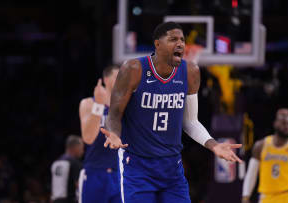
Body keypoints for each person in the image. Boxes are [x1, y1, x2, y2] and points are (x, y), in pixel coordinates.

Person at [100, 21, 242, 203]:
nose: (181, 44)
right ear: (157, 44)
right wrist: (113, 134)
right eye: (173, 39)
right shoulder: (133, 70)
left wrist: (213, 145)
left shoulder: (190, 72)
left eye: (182, 40)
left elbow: (190, 122)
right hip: (137, 166)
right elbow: (114, 114)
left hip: (171, 167)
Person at [242, 109, 288, 203]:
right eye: (283, 123)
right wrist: (246, 196)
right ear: (275, 124)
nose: (286, 127)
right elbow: (251, 173)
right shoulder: (261, 145)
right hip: (266, 197)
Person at [78, 65, 121, 203]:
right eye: (118, 77)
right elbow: (88, 138)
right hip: (94, 173)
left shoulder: (125, 107)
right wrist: (99, 106)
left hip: (120, 174)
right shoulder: (89, 103)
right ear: (106, 80)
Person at [51, 135, 84, 203]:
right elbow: (79, 185)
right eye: (81, 148)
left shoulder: (56, 163)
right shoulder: (75, 163)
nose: (82, 151)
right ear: (76, 147)